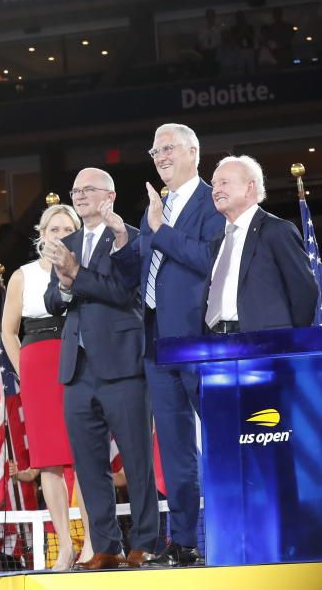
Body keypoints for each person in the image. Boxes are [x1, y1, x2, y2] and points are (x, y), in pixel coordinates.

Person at [109, 123, 223, 567]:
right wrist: (125, 239)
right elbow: (138, 276)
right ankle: (184, 542)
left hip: (198, 339)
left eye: (168, 148)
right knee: (174, 448)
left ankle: (232, 526)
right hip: (157, 341)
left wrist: (158, 228)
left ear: (194, 151)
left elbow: (207, 260)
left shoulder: (210, 202)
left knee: (222, 439)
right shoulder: (159, 205)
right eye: (154, 150)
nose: (159, 156)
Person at [43, 169, 159, 570]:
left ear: (109, 195)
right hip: (77, 371)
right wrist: (62, 284)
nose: (79, 195)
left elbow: (128, 295)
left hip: (123, 365)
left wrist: (77, 276)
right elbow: (52, 301)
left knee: (137, 460)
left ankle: (145, 543)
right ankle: (106, 546)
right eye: (74, 190)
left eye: (87, 189)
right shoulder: (67, 242)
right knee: (89, 465)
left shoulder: (130, 237)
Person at [0, 204, 93, 570]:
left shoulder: (85, 270)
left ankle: (92, 543)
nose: (59, 234)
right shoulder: (23, 276)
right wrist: (24, 369)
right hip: (38, 365)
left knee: (84, 456)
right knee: (50, 462)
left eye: (67, 228)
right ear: (42, 234)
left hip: (78, 360)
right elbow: (8, 331)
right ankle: (65, 547)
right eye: (53, 229)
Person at [205, 156, 319, 333]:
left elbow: (305, 292)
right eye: (214, 184)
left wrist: (285, 338)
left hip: (266, 345)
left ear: (249, 187)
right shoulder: (217, 239)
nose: (216, 190)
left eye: (224, 183)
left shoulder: (277, 231)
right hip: (218, 346)